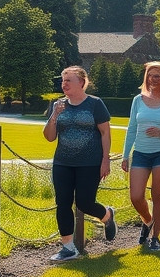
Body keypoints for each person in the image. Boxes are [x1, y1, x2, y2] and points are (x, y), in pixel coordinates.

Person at [42, 66, 116, 262]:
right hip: (63, 163)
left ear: (82, 83)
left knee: (85, 203)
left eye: (68, 80)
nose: (63, 84)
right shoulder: (58, 105)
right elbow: (49, 137)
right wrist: (55, 114)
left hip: (89, 163)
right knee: (63, 203)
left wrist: (105, 159)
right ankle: (68, 248)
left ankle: (107, 215)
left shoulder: (95, 104)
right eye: (62, 80)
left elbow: (105, 133)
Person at [120, 61, 160, 250]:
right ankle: (148, 221)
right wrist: (125, 155)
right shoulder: (138, 100)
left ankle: (155, 237)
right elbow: (131, 128)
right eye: (150, 75)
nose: (152, 79)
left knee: (157, 194)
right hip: (140, 152)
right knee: (136, 196)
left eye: (157, 76)